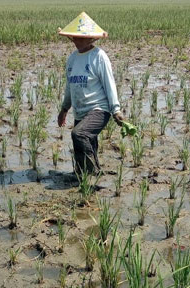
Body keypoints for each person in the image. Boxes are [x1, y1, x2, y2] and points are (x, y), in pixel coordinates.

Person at [57, 12, 125, 176]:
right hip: (80, 111)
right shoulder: (72, 59)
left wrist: (115, 110)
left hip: (98, 110)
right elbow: (70, 87)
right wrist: (64, 109)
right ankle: (82, 176)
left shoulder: (99, 57)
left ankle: (92, 174)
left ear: (91, 39)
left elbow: (109, 83)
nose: (76, 41)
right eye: (74, 37)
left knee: (79, 134)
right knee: (85, 145)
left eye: (81, 38)